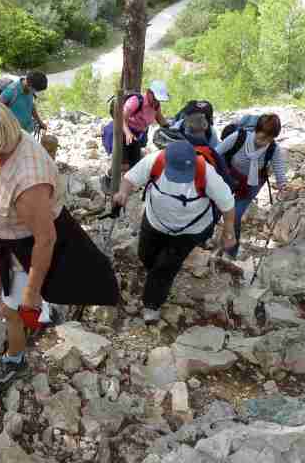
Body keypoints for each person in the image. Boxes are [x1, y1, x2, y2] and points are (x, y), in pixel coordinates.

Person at [0, 100, 119, 383]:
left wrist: (32, 292)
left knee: (14, 310)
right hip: (3, 240)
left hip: (23, 251)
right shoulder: (3, 142)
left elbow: (45, 239)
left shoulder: (28, 180)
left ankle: (15, 358)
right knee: (1, 295)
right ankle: (38, 313)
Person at [112, 140, 236, 324]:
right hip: (155, 221)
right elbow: (130, 179)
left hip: (189, 231)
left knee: (165, 266)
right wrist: (123, 193)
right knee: (145, 256)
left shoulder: (207, 174)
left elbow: (227, 204)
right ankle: (156, 278)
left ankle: (152, 305)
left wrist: (229, 231)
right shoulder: (155, 161)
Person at [216, 114, 288, 257]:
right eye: (262, 137)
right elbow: (216, 152)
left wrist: (283, 185)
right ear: (256, 130)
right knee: (217, 210)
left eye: (269, 139)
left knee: (235, 216)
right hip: (230, 178)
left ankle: (230, 252)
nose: (263, 142)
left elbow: (279, 168)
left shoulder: (273, 148)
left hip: (252, 184)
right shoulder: (239, 137)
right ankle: (209, 240)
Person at [121, 80, 172, 169]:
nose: (156, 102)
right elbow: (121, 118)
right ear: (149, 92)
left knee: (134, 165)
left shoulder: (156, 105)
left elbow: (159, 118)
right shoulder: (135, 101)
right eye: (155, 99)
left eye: (158, 100)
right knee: (123, 165)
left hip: (136, 136)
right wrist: (128, 133)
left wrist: (171, 130)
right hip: (123, 132)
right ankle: (109, 174)